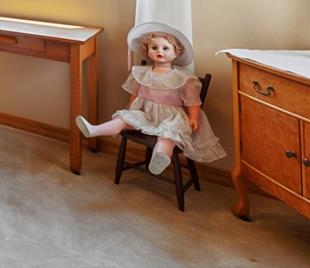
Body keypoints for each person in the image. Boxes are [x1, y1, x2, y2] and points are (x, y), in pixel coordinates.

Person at [75, 22, 226, 175]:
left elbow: (193, 101)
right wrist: (131, 107)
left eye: (165, 48)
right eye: (154, 48)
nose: (159, 51)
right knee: (123, 119)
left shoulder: (183, 78)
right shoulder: (142, 73)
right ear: (147, 51)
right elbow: (136, 93)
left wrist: (194, 118)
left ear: (176, 52)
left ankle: (159, 158)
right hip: (146, 113)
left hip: (171, 117)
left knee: (167, 135)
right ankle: (94, 130)